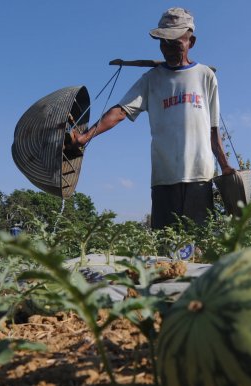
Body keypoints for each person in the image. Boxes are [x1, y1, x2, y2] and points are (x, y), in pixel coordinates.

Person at [70, 7, 236, 229]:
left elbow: (213, 129)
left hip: (200, 176)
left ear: (191, 41)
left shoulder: (206, 76)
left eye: (175, 43)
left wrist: (225, 165)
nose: (167, 49)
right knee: (164, 248)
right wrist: (85, 137)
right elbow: (120, 111)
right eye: (163, 43)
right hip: (163, 176)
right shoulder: (151, 80)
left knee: (198, 245)